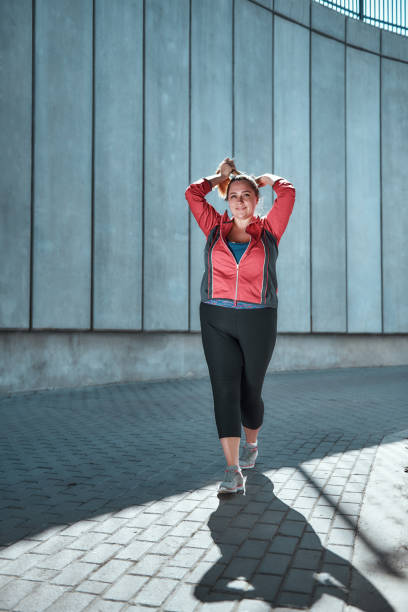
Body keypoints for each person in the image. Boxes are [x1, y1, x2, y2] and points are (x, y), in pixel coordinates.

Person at [185, 157, 296, 494]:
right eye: (234, 195)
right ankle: (232, 470)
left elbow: (288, 193)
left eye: (247, 195)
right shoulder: (214, 227)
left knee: (251, 392)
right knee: (225, 390)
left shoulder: (269, 230)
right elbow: (193, 193)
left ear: (256, 200)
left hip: (258, 317)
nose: (240, 200)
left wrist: (264, 178)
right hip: (215, 317)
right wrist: (219, 176)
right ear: (227, 199)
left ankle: (252, 442)